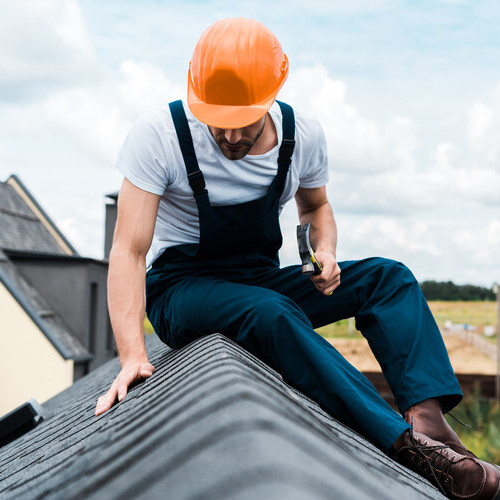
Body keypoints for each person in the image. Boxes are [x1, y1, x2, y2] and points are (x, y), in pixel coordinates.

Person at [95, 17, 500, 499]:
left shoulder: (302, 135)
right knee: (270, 312)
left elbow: (316, 207)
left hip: (259, 280)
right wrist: (132, 356)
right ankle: (406, 446)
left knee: (389, 278)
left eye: (241, 122)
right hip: (181, 290)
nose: (228, 137)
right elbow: (128, 249)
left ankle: (427, 420)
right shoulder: (158, 135)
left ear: (272, 96)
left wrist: (324, 251)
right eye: (217, 122)